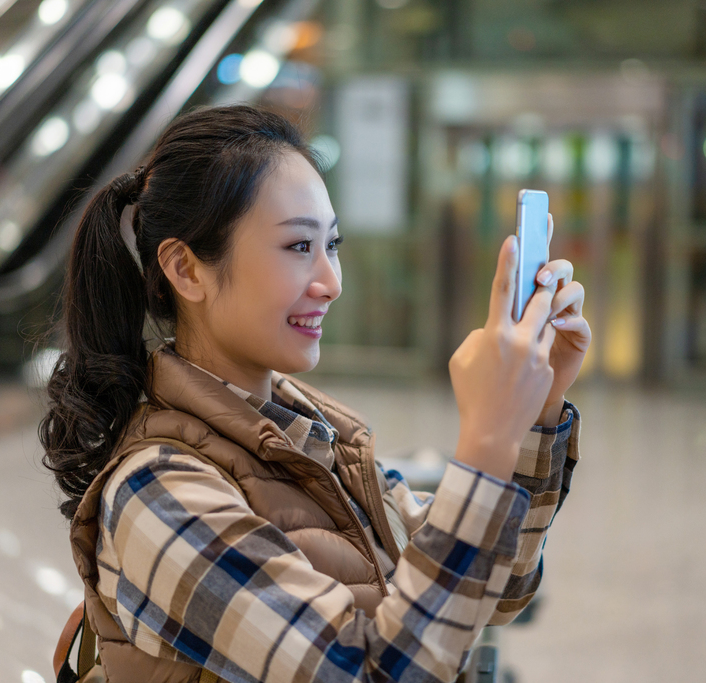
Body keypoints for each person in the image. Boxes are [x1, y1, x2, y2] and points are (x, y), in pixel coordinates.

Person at [41, 105, 591, 683]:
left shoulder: (318, 438)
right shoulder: (158, 492)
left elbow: (494, 589)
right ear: (186, 269)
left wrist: (537, 409)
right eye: (299, 247)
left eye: (332, 244)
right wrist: (487, 438)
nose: (332, 282)